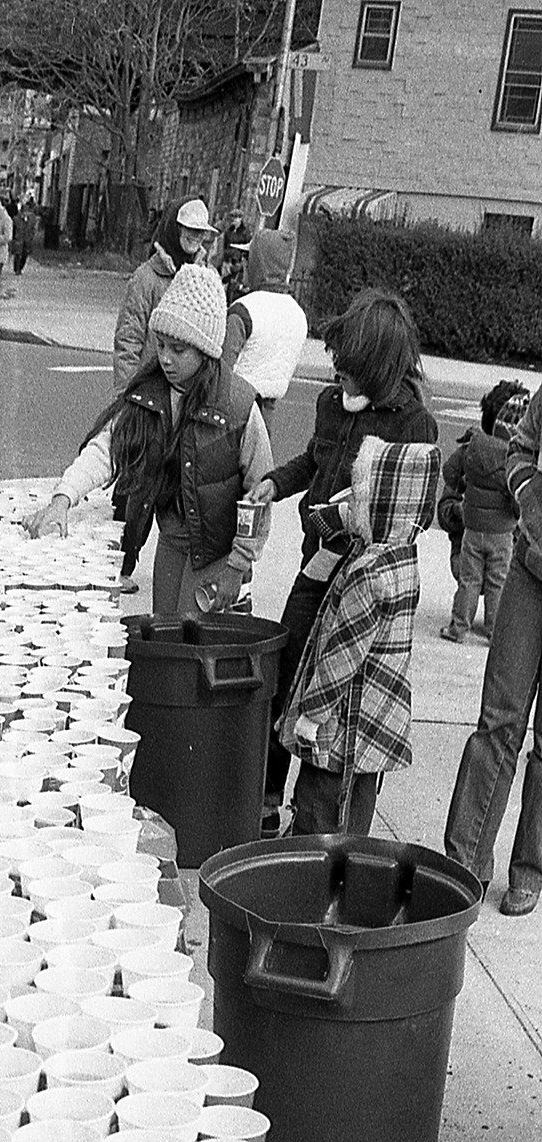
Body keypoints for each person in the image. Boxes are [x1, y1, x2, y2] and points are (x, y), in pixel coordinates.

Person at [251, 287, 437, 833]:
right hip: (317, 566)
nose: (339, 382)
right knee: (286, 674)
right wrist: (276, 484)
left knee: (327, 689)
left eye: (350, 372)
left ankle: (319, 816)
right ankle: (266, 798)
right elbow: (314, 458)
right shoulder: (333, 403)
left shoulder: (413, 423)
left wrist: (355, 515)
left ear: (378, 371)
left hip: (359, 574)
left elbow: (416, 512)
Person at [25, 263, 272, 617]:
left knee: (198, 646)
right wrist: (63, 499)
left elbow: (260, 491)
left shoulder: (239, 405)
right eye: (161, 345)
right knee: (166, 634)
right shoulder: (150, 394)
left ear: (206, 350)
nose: (166, 359)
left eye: (179, 350)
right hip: (172, 541)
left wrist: (239, 564)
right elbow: (108, 449)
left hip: (220, 553)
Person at [279, 436, 441, 836]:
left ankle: (316, 880)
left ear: (384, 506)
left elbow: (341, 657)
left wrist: (310, 714)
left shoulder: (367, 573)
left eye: (363, 499)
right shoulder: (401, 556)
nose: (353, 506)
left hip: (340, 728)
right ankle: (346, 877)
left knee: (321, 818)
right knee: (356, 814)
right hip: (376, 719)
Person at [445, 381, 542, 917]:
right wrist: (532, 507)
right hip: (530, 570)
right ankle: (465, 864)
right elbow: (522, 446)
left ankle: (530, 870)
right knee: (498, 719)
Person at [438, 380, 527, 645]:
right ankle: (495, 630)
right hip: (502, 542)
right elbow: (518, 507)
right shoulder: (514, 462)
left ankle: (459, 626)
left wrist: (465, 510)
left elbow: (447, 480)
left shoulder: (470, 450)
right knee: (499, 580)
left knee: (468, 579)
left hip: (472, 537)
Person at [111, 197, 217, 395]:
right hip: (149, 392)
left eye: (201, 231)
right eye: (190, 229)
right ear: (174, 228)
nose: (197, 236)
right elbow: (128, 341)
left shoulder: (207, 276)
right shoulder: (145, 279)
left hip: (190, 396)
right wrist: (126, 395)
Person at [220, 230, 307, 413]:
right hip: (268, 411)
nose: (243, 263)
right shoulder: (298, 314)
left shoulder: (244, 309)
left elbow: (221, 371)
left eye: (247, 257)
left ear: (258, 262)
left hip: (234, 410)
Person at [11, 196, 38, 275]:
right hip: (18, 239)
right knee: (18, 254)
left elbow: (33, 228)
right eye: (24, 211)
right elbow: (14, 229)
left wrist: (32, 236)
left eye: (27, 211)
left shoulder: (32, 219)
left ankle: (21, 267)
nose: (25, 213)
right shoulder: (16, 219)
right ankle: (17, 269)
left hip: (27, 239)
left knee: (25, 255)